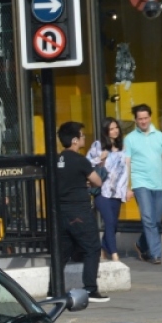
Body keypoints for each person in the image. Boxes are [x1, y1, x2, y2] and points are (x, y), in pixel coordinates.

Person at [56, 121, 107, 303]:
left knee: (62, 252)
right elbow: (98, 181)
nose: (84, 138)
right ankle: (91, 289)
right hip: (79, 210)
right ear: (75, 140)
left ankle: (53, 289)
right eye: (82, 136)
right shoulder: (80, 160)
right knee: (92, 248)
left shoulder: (57, 160)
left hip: (61, 211)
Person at [126, 104, 162, 264]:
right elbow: (127, 163)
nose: (143, 121)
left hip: (158, 183)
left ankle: (141, 244)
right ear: (135, 120)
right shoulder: (129, 139)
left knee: (156, 219)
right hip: (140, 182)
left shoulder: (160, 136)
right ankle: (156, 254)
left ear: (150, 117)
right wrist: (126, 186)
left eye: (145, 118)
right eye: (140, 119)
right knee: (148, 218)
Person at [88, 117, 130, 262]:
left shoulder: (123, 147)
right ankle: (114, 254)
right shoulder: (98, 145)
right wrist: (100, 158)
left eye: (116, 127)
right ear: (106, 131)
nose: (115, 131)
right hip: (102, 191)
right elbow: (87, 163)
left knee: (113, 224)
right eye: (111, 129)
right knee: (110, 221)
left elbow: (126, 169)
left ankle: (103, 248)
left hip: (117, 192)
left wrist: (127, 189)